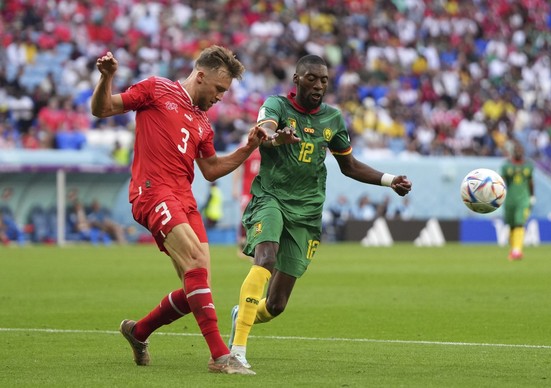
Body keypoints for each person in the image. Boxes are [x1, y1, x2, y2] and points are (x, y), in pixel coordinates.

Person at [90, 45, 268, 375]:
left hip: (184, 199)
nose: (220, 98)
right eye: (218, 89)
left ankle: (138, 331)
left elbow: (212, 169)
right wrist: (108, 77)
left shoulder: (203, 122)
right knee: (197, 265)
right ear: (200, 76)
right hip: (152, 192)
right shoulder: (156, 89)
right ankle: (220, 356)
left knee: (197, 289)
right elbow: (102, 108)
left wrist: (248, 148)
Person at [227, 55, 412, 369]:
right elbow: (264, 131)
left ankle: (241, 314)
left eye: (324, 80)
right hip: (271, 197)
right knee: (266, 258)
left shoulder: (332, 118)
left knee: (276, 304)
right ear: (297, 79)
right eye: (312, 78)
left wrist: (389, 180)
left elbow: (349, 165)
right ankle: (236, 353)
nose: (319, 85)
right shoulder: (276, 106)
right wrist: (275, 137)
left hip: (308, 211)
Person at [500, 141, 535, 261]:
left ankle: (517, 250)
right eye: (517, 150)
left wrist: (532, 196)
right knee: (511, 225)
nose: (519, 152)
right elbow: (501, 181)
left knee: (520, 222)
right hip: (510, 199)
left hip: (523, 198)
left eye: (520, 150)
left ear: (523, 151)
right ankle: (514, 248)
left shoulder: (528, 165)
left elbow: (531, 182)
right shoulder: (506, 166)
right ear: (513, 151)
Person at [231, 144, 261, 258]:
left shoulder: (266, 150)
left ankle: (254, 246)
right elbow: (237, 168)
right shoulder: (248, 150)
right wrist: (234, 187)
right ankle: (242, 245)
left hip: (260, 191)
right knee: (245, 217)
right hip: (247, 190)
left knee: (258, 218)